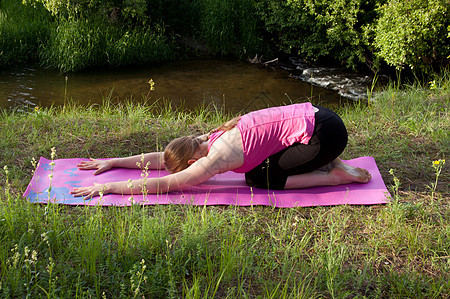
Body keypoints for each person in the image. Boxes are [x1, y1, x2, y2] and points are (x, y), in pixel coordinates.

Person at [71, 102, 371, 199]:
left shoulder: (214, 160)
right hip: (323, 116)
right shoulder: (213, 136)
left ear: (191, 161)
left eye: (186, 167)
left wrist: (108, 187)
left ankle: (337, 174)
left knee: (259, 179)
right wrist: (113, 162)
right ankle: (328, 161)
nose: (187, 171)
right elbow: (160, 161)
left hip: (326, 137)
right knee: (262, 161)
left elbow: (162, 183)